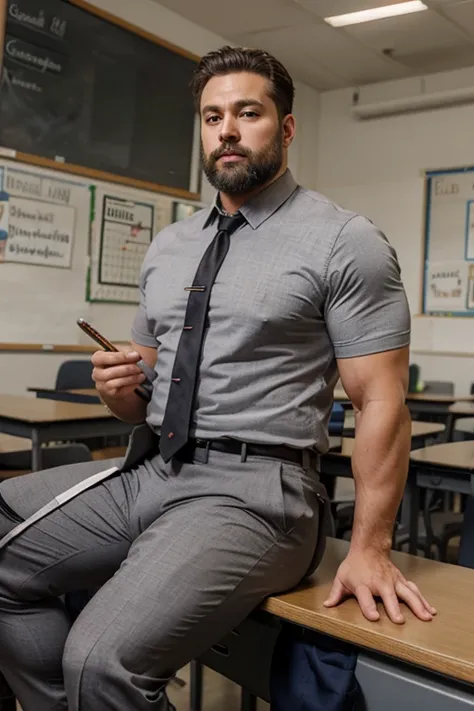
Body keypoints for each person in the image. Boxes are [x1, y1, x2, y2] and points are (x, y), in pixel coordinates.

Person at [0, 46, 435, 711]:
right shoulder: (169, 246)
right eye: (211, 116)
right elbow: (139, 390)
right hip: (152, 469)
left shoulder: (344, 240)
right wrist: (120, 390)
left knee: (100, 658)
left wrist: (373, 547)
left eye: (246, 112)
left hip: (260, 494)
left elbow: (381, 401)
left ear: (285, 129)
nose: (226, 129)